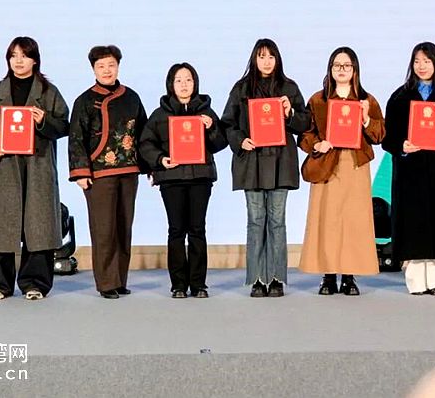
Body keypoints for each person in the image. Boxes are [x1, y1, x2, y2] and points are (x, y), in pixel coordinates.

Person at [0, 36, 70, 301]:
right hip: (5, 167)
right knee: (0, 225)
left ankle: (34, 283)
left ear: (35, 60)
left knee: (38, 225)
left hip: (38, 165)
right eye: (13, 55)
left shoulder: (48, 92)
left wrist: (44, 121)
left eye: (24, 56)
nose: (18, 61)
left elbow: (64, 125)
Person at [221, 38, 310, 297]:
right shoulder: (241, 88)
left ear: (278, 59)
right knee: (255, 221)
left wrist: (290, 112)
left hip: (281, 163)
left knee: (277, 222)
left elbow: (305, 123)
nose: (267, 61)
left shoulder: (289, 87)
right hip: (252, 163)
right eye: (262, 56)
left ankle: (276, 278)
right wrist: (240, 140)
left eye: (271, 56)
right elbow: (227, 123)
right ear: (254, 59)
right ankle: (258, 279)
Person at [298, 47, 385, 295]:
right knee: (327, 220)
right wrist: (317, 144)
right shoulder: (318, 100)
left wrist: (366, 119)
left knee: (353, 221)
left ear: (355, 69)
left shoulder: (367, 100)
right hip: (328, 164)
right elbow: (305, 134)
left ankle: (349, 276)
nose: (342, 70)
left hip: (355, 165)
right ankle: (328, 276)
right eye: (337, 65)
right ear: (330, 69)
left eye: (347, 65)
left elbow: (380, 134)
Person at [139, 63, 228, 298]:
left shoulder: (206, 112)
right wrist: (160, 159)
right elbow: (145, 143)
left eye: (188, 79)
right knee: (176, 230)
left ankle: (198, 284)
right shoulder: (160, 114)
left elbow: (220, 143)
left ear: (195, 83)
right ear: (171, 84)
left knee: (197, 229)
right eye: (178, 80)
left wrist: (211, 128)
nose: (184, 85)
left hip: (200, 177)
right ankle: (178, 284)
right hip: (172, 179)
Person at [382, 42, 435, 295]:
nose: (422, 66)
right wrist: (401, 145)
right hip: (410, 171)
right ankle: (416, 282)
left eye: (427, 61)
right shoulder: (400, 96)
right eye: (417, 61)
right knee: (413, 223)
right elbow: (387, 136)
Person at [69, 45, 148, 299]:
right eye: (101, 66)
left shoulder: (132, 97)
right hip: (98, 173)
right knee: (104, 229)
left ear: (118, 67)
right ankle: (106, 283)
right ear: (93, 69)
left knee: (124, 227)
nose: (106, 70)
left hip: (129, 170)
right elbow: (76, 138)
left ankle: (120, 280)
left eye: (111, 65)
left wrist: (150, 166)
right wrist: (81, 172)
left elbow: (143, 134)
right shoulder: (84, 101)